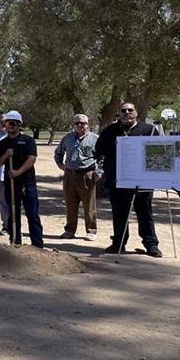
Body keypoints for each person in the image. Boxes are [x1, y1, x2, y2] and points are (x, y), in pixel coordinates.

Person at [94, 102, 162, 257]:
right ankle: (119, 243)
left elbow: (157, 152)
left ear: (136, 113)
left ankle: (151, 245)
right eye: (123, 111)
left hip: (142, 182)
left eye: (130, 110)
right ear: (119, 113)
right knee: (119, 214)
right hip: (117, 181)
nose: (126, 113)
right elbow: (99, 150)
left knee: (145, 214)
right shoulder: (110, 130)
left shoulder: (149, 130)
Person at [0, 110, 44, 248]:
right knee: (13, 214)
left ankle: (37, 245)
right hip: (10, 184)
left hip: (27, 183)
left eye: (14, 124)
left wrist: (18, 172)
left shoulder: (27, 140)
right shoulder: (3, 143)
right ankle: (15, 241)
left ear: (19, 125)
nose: (11, 126)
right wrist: (5, 155)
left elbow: (31, 159)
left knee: (32, 214)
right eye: (8, 123)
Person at [54, 113, 100, 240]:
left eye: (83, 123)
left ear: (88, 124)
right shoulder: (67, 138)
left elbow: (103, 157)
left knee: (89, 205)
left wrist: (98, 173)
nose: (80, 125)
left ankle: (91, 231)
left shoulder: (95, 139)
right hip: (69, 175)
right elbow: (58, 153)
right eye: (77, 123)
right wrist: (61, 166)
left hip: (87, 175)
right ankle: (69, 231)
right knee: (70, 204)